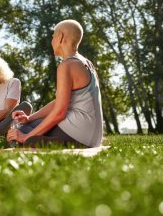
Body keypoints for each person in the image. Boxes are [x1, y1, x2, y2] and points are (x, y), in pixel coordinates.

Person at [7, 19, 103, 148]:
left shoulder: (67, 65)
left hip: (78, 135)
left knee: (21, 131)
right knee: (27, 124)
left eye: (53, 36)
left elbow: (59, 112)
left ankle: (34, 140)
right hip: (92, 136)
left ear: (60, 37)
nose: (52, 41)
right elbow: (60, 102)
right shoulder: (86, 63)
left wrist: (25, 137)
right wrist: (30, 118)